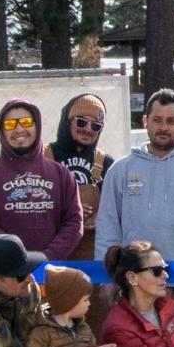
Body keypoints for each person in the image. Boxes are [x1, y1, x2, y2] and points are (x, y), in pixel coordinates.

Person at [96, 90, 174, 315]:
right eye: (157, 120)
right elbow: (108, 228)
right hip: (135, 282)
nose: (163, 127)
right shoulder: (120, 170)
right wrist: (107, 277)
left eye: (171, 121)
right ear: (145, 121)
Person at [0, 100, 83, 259]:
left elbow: (74, 222)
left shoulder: (61, 174)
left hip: (51, 271)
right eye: (9, 124)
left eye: (26, 122)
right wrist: (14, 255)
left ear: (37, 126)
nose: (19, 129)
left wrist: (47, 257)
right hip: (4, 275)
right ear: (1, 130)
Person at [48, 92, 114, 263]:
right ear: (67, 120)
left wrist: (102, 215)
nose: (87, 129)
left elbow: (122, 207)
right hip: (51, 253)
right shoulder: (43, 158)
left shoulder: (107, 163)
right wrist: (62, 211)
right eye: (81, 122)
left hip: (91, 257)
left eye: (96, 126)